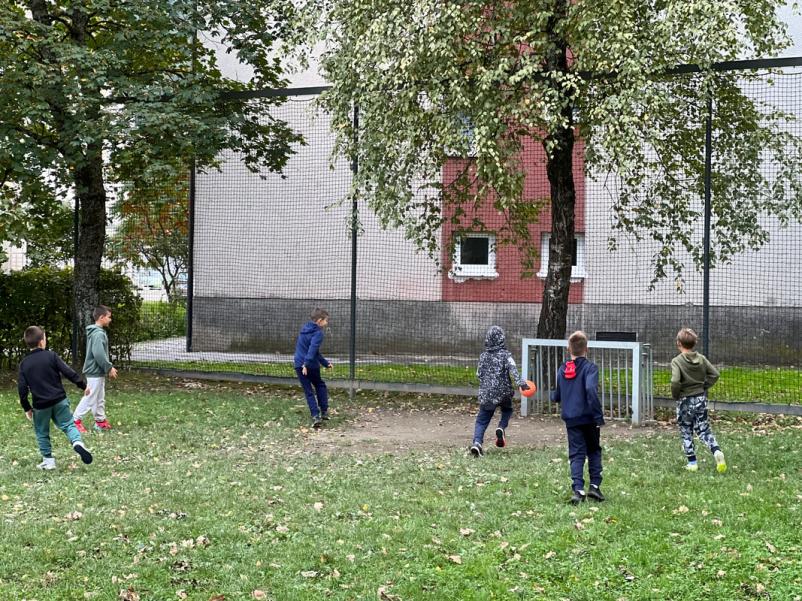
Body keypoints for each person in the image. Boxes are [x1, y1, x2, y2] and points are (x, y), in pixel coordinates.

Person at [18, 326, 93, 470]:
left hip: (40, 406)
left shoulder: (24, 364)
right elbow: (68, 372)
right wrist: (83, 386)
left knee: (42, 432)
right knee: (68, 425)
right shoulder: (51, 356)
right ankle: (78, 443)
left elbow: (22, 389)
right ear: (41, 342)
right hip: (60, 400)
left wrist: (27, 407)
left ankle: (48, 460)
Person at [550, 331, 605, 504]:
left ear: (569, 349)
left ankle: (578, 489)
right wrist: (598, 415)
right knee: (594, 450)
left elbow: (557, 395)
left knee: (576, 453)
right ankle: (594, 486)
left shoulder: (562, 368)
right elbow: (590, 389)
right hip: (589, 418)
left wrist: (556, 397)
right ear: (586, 349)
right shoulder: (590, 368)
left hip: (571, 419)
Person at [671, 327, 727, 473]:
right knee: (703, 428)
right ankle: (716, 451)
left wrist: (676, 394)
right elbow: (715, 374)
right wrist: (704, 386)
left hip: (684, 400)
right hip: (700, 399)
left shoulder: (677, 361)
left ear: (678, 343)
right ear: (694, 343)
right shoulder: (701, 359)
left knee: (686, 430)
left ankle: (692, 462)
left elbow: (675, 381)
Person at [469, 326, 527, 457]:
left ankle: (477, 443)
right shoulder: (506, 355)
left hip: (486, 394)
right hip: (504, 392)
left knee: (482, 420)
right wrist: (521, 384)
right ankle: (501, 427)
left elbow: (479, 374)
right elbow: (513, 370)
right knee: (507, 410)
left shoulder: (483, 356)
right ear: (502, 340)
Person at [73, 306, 118, 433]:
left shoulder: (98, 332)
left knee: (99, 397)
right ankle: (75, 420)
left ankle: (100, 421)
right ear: (101, 317)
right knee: (91, 397)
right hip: (94, 371)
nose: (110, 319)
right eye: (109, 317)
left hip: (97, 372)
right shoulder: (98, 334)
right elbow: (98, 354)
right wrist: (109, 367)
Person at [294, 308, 333, 428]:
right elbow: (312, 350)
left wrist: (326, 363)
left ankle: (316, 416)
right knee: (320, 385)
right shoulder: (318, 333)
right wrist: (306, 364)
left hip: (298, 364)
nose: (327, 323)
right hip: (309, 365)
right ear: (320, 320)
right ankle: (324, 411)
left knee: (308, 391)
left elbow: (314, 351)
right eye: (326, 320)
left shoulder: (304, 329)